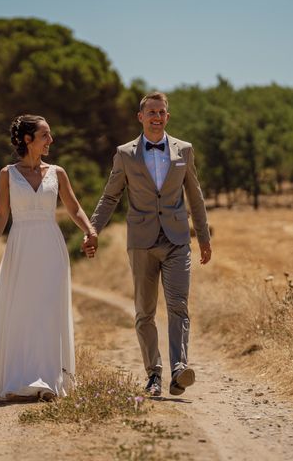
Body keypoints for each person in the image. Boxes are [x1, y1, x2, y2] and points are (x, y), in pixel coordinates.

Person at [0, 114, 97, 403]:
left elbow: (74, 208)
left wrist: (89, 231)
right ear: (27, 140)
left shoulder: (58, 172)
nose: (51, 140)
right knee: (22, 310)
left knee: (48, 309)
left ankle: (48, 379)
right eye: (45, 135)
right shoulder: (6, 174)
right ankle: (18, 379)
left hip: (51, 245)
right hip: (21, 246)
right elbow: (1, 214)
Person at [84, 92, 211, 397]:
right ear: (140, 117)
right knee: (145, 312)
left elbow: (194, 195)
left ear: (168, 117)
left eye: (161, 112)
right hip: (141, 242)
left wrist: (204, 237)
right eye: (151, 112)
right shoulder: (125, 154)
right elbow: (110, 196)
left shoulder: (185, 150)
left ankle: (179, 369)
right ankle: (153, 374)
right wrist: (92, 230)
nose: (156, 117)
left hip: (177, 239)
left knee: (179, 306)